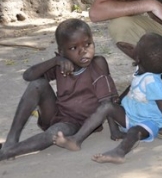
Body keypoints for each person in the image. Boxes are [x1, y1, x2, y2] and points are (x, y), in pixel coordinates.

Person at [53, 32, 162, 164]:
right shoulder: (142, 68)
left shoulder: (152, 82)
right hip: (130, 115)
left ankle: (119, 152)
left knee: (134, 132)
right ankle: (76, 140)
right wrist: (119, 100)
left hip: (149, 122)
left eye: (137, 46)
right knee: (107, 105)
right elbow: (133, 85)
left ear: (138, 57)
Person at [0, 19, 118, 161]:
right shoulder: (61, 65)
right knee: (37, 84)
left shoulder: (98, 64)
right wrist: (55, 61)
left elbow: (108, 101)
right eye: (73, 48)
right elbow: (28, 76)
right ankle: (12, 139)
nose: (83, 51)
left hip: (78, 124)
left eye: (87, 44)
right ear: (62, 52)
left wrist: (114, 129)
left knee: (54, 133)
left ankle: (7, 152)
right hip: (57, 114)